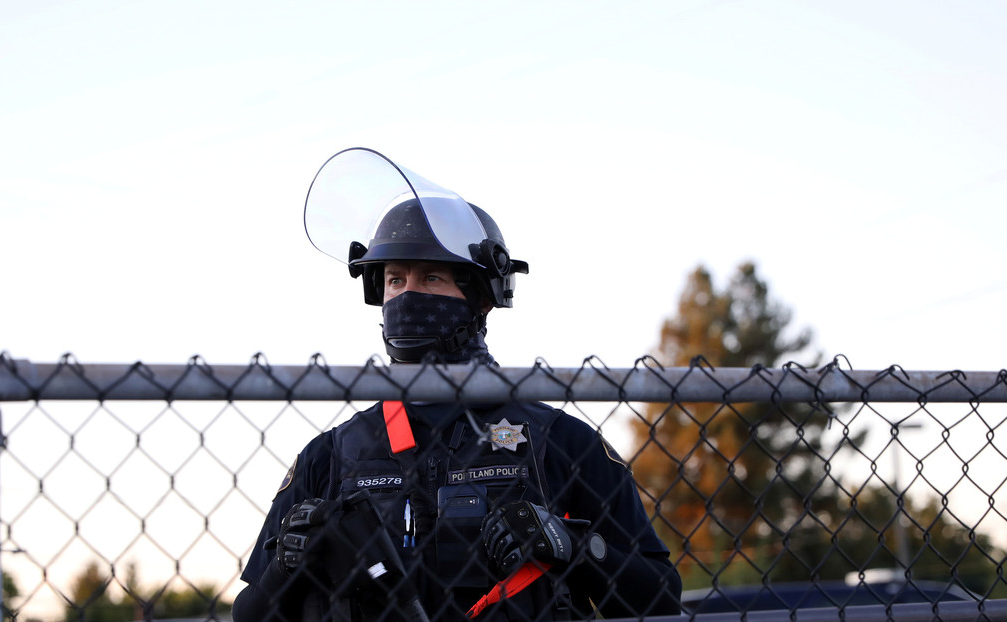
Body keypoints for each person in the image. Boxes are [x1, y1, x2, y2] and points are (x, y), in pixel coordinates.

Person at [232, 148, 682, 621]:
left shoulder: (560, 442)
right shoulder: (331, 456)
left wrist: (573, 546)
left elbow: (661, 598)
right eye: (394, 279)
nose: (407, 294)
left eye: (431, 277)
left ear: (483, 297)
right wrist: (285, 569)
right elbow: (248, 616)